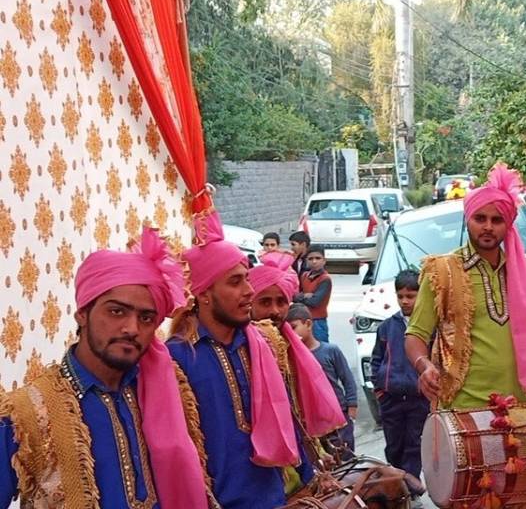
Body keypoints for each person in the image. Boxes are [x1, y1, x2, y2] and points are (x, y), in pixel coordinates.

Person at [0, 227, 210, 508]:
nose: (131, 328)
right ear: (83, 313)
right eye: (116, 311)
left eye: (146, 318)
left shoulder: (167, 393)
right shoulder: (25, 414)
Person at [169, 211, 341, 509]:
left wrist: (311, 475)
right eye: (236, 282)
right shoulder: (176, 358)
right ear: (205, 292)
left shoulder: (263, 343)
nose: (249, 291)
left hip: (277, 498)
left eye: (247, 279)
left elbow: (287, 419)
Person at [405, 163, 526, 408]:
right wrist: (424, 365)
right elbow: (415, 334)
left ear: (508, 226)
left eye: (497, 220)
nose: (488, 227)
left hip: (520, 405)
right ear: (467, 219)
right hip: (463, 407)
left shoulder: (524, 272)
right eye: (480, 218)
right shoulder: (443, 271)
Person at [248, 253, 346, 469]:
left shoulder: (290, 346)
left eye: (281, 302)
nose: (274, 311)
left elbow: (298, 410)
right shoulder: (242, 349)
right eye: (264, 302)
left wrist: (317, 451)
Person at [371, 270, 431, 483]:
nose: (405, 301)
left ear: (421, 295)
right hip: (391, 398)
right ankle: (397, 484)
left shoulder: (429, 327)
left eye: (410, 296)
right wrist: (380, 390)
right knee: (394, 445)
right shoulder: (387, 326)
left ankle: (411, 487)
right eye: (400, 296)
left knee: (414, 444)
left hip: (419, 399)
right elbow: (376, 359)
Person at [287, 304, 357, 457]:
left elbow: (347, 378)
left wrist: (351, 406)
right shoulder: (290, 358)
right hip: (312, 418)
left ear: (308, 324)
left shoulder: (330, 351)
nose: (291, 333)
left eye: (294, 327)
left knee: (345, 456)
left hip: (338, 413)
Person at [296, 244, 332, 342]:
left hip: (318, 321)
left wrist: (300, 297)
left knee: (320, 351)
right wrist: (304, 296)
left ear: (324, 261)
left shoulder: (325, 279)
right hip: (304, 320)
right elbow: (294, 296)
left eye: (318, 258)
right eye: (311, 259)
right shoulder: (304, 275)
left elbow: (315, 302)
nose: (314, 261)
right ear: (306, 260)